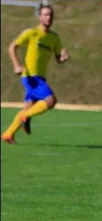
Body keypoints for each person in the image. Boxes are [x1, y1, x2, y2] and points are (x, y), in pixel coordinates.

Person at [2, 5, 69, 145]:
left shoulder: (54, 38)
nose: (48, 17)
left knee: (29, 106)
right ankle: (25, 117)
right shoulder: (31, 32)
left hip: (41, 77)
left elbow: (58, 58)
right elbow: (12, 47)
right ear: (39, 17)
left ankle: (8, 134)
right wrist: (16, 65)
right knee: (50, 101)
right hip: (30, 76)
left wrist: (63, 58)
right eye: (45, 15)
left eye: (50, 15)